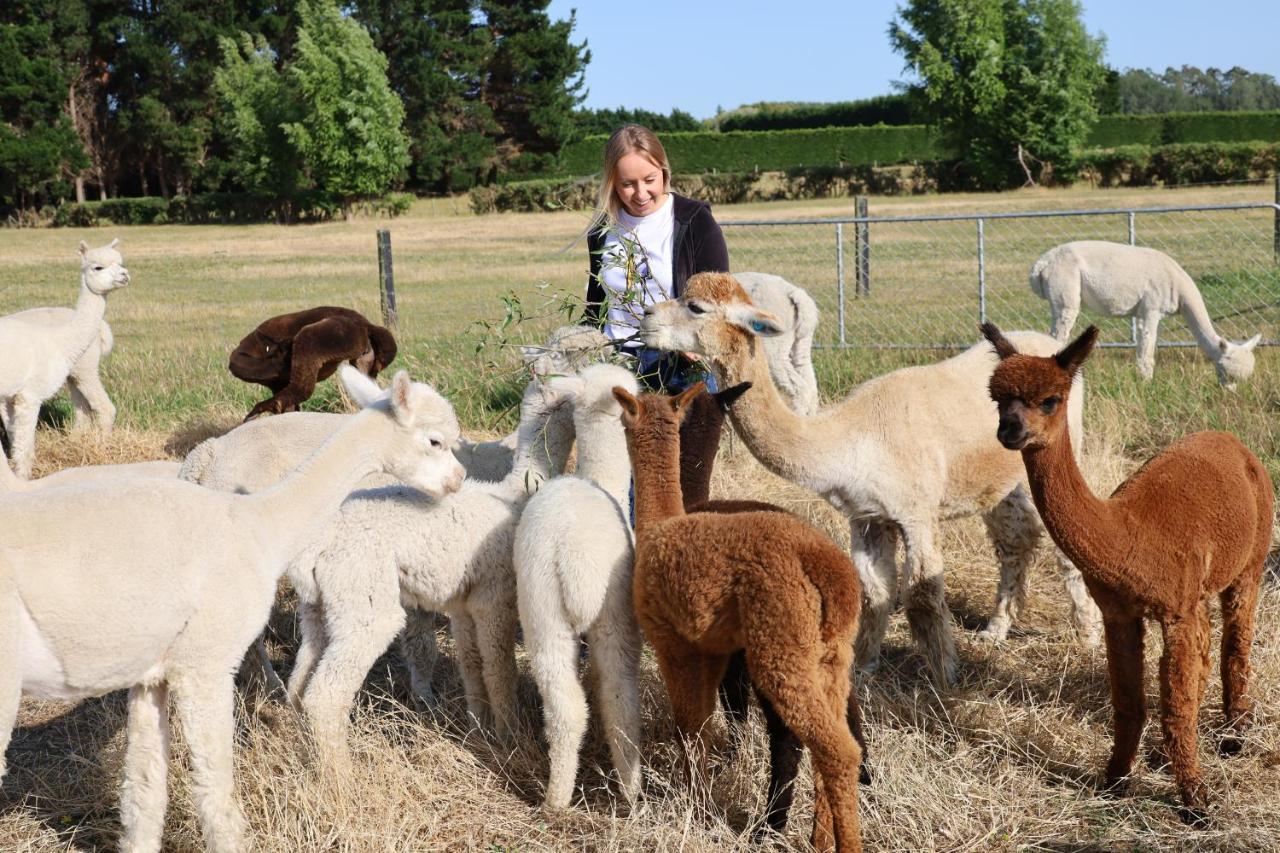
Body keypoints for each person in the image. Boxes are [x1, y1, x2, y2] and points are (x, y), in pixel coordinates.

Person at [582, 124, 729, 391]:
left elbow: (719, 298)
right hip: (617, 359)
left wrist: (692, 343)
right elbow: (595, 305)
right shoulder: (602, 232)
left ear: (663, 170)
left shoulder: (694, 221)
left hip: (679, 362)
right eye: (627, 184)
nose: (640, 194)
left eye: (649, 180)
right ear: (612, 182)